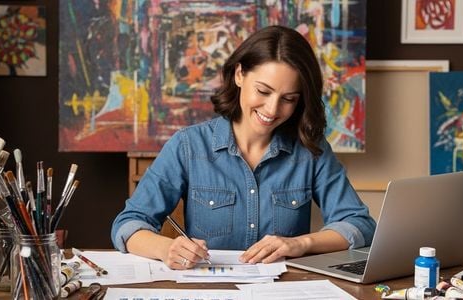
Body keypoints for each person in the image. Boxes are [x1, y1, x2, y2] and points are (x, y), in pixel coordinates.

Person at [110, 25, 376, 270]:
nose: (272, 109)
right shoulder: (188, 145)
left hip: (282, 292)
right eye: (263, 91)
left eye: (288, 99)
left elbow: (360, 224)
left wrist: (301, 244)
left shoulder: (310, 149)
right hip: (211, 290)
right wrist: (166, 248)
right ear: (239, 75)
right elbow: (128, 224)